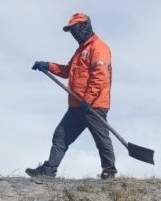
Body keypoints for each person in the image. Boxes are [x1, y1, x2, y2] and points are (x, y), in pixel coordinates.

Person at [26, 13, 116, 180]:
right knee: (61, 135)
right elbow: (68, 71)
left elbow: (100, 76)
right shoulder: (81, 50)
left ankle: (109, 171)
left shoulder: (99, 47)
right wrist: (48, 66)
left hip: (94, 104)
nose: (74, 32)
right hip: (76, 105)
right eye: (72, 30)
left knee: (101, 138)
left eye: (76, 28)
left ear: (86, 26)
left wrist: (88, 98)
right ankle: (49, 169)